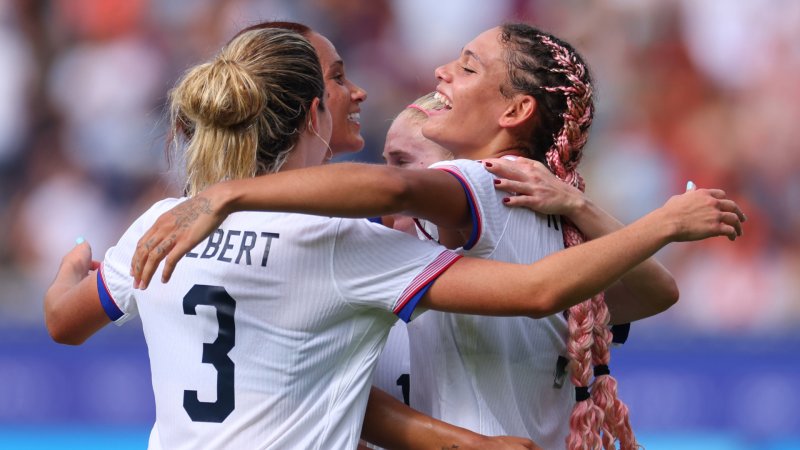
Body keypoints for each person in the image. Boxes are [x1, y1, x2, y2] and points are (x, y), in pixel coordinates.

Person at [130, 23, 746, 449]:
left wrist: (225, 194)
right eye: (391, 159)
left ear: (510, 115)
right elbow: (651, 291)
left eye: (406, 160)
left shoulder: (479, 188)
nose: (442, 71)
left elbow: (609, 289)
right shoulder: (395, 252)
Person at [46, 27, 554, 450]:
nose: (358, 92)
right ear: (312, 111)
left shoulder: (160, 223)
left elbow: (63, 321)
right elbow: (537, 291)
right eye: (337, 77)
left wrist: (69, 272)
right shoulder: (336, 239)